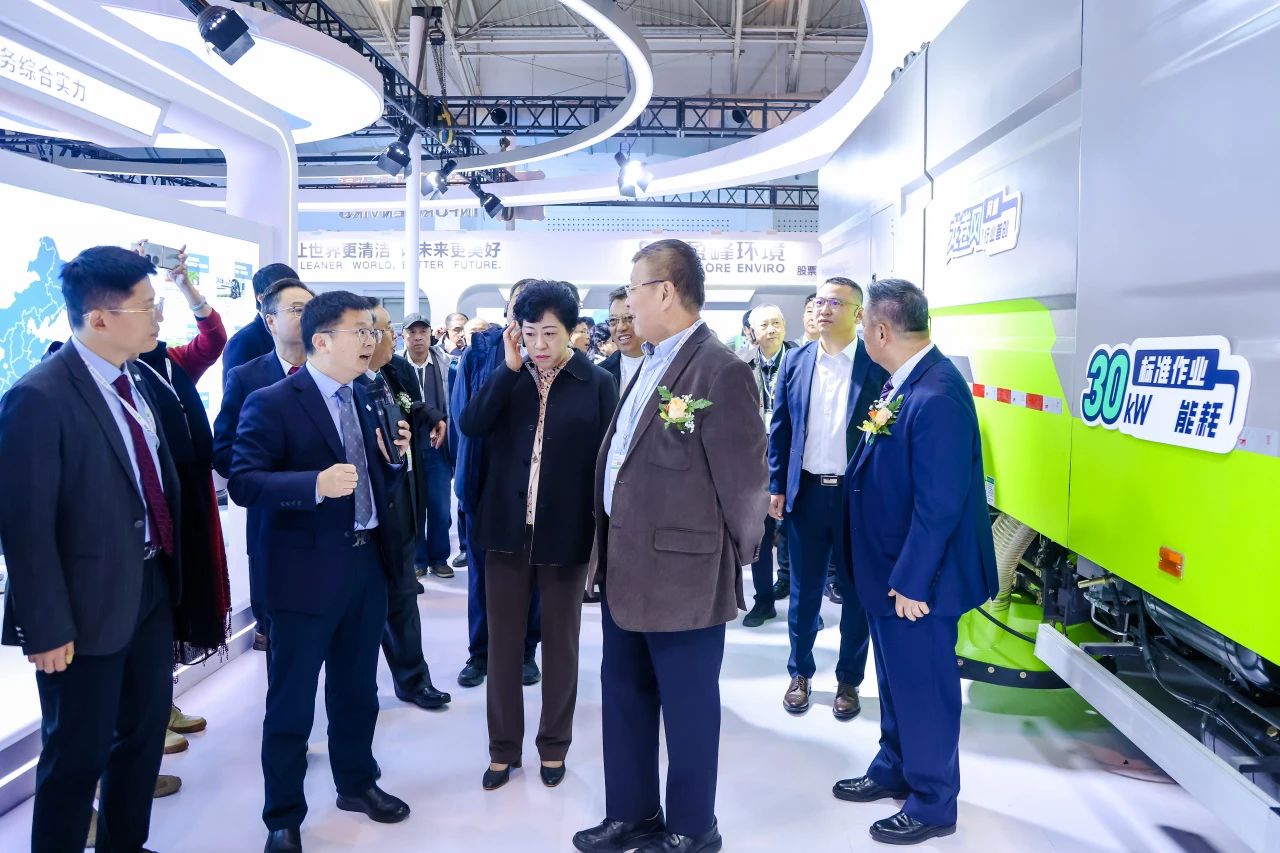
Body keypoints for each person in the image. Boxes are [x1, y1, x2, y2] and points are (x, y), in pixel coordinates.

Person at [573, 239, 766, 853]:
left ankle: (691, 827)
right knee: (624, 697)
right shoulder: (650, 361)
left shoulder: (721, 370)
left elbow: (746, 485)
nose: (626, 304)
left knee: (688, 710)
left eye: (634, 289)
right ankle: (631, 814)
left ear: (664, 291)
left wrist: (732, 561)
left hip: (685, 577)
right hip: (625, 566)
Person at [1, 246, 182, 853]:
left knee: (142, 737)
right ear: (99, 317)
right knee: (76, 755)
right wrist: (45, 626)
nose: (158, 318)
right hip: (80, 610)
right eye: (146, 307)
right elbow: (24, 525)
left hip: (149, 587)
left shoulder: (137, 380)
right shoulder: (40, 396)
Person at [230, 291, 414, 852]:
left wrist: (396, 458)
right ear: (322, 340)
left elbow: (377, 478)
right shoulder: (272, 402)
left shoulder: (371, 395)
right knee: (291, 702)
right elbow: (244, 481)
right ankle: (283, 815)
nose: (371, 341)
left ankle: (357, 784)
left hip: (365, 565)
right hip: (303, 577)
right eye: (361, 331)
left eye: (373, 331)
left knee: (357, 690)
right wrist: (313, 484)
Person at [833, 279, 997, 845]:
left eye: (863, 327)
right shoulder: (906, 381)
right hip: (889, 570)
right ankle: (894, 767)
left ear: (881, 330)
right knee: (896, 680)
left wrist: (911, 581)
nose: (861, 336)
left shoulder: (936, 395)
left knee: (925, 689)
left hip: (917, 581)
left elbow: (939, 505)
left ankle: (932, 802)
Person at [459, 281, 618, 791]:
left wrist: (602, 535)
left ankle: (554, 746)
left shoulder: (596, 382)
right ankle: (502, 750)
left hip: (566, 531)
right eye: (529, 333)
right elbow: (471, 424)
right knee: (503, 646)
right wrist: (507, 368)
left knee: (561, 646)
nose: (539, 344)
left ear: (571, 331)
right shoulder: (509, 375)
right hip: (505, 530)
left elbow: (606, 463)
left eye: (550, 333)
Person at [766, 278, 887, 721]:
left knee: (857, 593)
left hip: (857, 498)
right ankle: (799, 673)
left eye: (835, 302)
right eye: (819, 301)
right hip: (807, 492)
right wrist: (776, 485)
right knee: (804, 591)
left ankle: (849, 680)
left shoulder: (876, 365)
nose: (823, 309)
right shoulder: (796, 361)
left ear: (858, 314)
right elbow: (781, 428)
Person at [214, 278, 315, 654]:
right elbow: (224, 450)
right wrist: (267, 472)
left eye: (311, 308)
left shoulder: (336, 375)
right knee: (280, 636)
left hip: (330, 523)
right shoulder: (247, 377)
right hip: (273, 522)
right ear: (270, 320)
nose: (307, 316)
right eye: (297, 309)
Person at [450, 286, 542, 690]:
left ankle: (525, 650)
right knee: (482, 576)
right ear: (507, 313)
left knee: (534, 575)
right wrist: (464, 475)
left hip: (536, 486)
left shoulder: (552, 356)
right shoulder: (479, 353)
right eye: (518, 308)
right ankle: (480, 653)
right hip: (485, 482)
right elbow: (463, 418)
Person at [366, 303, 452, 710]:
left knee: (403, 599)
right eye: (386, 330)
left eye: (389, 329)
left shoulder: (394, 370)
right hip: (364, 514)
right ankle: (358, 691)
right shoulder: (346, 384)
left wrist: (433, 416)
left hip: (401, 496)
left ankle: (414, 681)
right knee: (364, 610)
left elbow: (411, 404)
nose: (393, 337)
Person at [740, 304, 796, 629]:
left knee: (798, 535)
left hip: (796, 459)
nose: (771, 329)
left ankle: (802, 602)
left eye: (776, 322)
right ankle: (763, 600)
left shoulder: (803, 361)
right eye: (764, 325)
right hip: (757, 461)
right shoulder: (741, 365)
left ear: (785, 326)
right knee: (760, 534)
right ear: (752, 332)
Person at [400, 312, 455, 579]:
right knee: (413, 507)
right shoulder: (396, 366)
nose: (418, 337)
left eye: (423, 332)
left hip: (439, 448)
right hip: (408, 448)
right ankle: (418, 559)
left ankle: (439, 558)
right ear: (403, 336)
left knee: (440, 507)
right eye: (412, 332)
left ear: (431, 334)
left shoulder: (446, 364)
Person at [222, 263, 300, 380]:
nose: (295, 297)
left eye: (297, 289)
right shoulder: (241, 342)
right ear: (262, 298)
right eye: (284, 292)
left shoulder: (306, 333)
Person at [597, 286, 646, 392]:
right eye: (613, 320)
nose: (621, 327)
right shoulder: (599, 373)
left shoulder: (666, 364)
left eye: (629, 318)